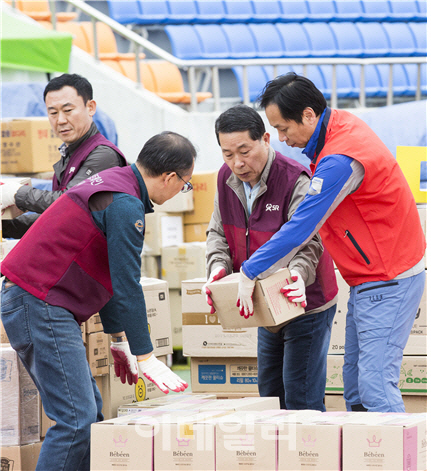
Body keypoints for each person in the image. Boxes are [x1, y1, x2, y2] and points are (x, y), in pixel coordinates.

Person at [1, 131, 195, 471]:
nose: (183, 190)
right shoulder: (124, 203)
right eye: (185, 183)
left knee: (89, 410)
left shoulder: (116, 184)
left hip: (40, 301)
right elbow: (126, 284)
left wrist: (119, 340)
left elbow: (104, 270)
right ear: (169, 177)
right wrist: (145, 355)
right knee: (76, 420)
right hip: (40, 301)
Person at [236, 73, 426, 413]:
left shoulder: (340, 158)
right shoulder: (335, 127)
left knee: (375, 390)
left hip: (388, 277)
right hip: (371, 277)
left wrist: (250, 270)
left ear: (309, 115)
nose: (281, 138)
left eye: (283, 129)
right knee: (353, 390)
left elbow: (301, 227)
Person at [203, 104, 338, 411]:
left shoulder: (295, 179)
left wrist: (298, 275)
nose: (237, 163)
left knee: (300, 395)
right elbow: (217, 234)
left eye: (244, 151)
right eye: (227, 154)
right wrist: (217, 268)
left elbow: (310, 242)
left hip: (306, 302)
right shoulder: (226, 179)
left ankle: (310, 455)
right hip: (262, 300)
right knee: (270, 394)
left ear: (265, 138)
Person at [1, 73, 127, 239]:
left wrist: (17, 193)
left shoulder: (103, 155)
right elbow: (55, 219)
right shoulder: (71, 153)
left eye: (68, 110)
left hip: (89, 261)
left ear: (90, 108)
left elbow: (68, 203)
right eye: (53, 113)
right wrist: (6, 227)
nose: (60, 120)